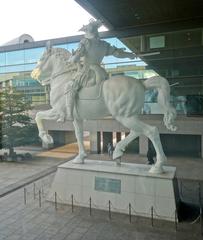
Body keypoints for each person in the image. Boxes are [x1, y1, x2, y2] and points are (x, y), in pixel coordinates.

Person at [65, 19, 137, 120]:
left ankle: (69, 114)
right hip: (100, 72)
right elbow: (117, 54)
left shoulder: (85, 42)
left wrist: (72, 58)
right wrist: (130, 55)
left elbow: (75, 59)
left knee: (70, 86)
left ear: (88, 32)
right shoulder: (104, 44)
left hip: (86, 72)